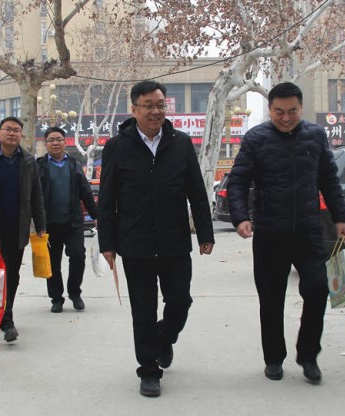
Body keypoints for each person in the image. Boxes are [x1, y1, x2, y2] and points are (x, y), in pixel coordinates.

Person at [226, 82, 345, 384]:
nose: (285, 117)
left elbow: (329, 180)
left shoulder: (315, 136)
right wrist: (240, 217)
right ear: (270, 110)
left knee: (318, 289)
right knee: (271, 300)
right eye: (279, 111)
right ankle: (273, 358)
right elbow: (238, 181)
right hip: (270, 233)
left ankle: (308, 355)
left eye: (292, 111)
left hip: (308, 231)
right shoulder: (256, 138)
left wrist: (340, 217)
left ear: (301, 108)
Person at [98, 80, 215, 397]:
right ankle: (149, 371)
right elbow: (106, 200)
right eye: (148, 105)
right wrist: (107, 243)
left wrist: (205, 233)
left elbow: (196, 192)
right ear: (134, 109)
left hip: (175, 241)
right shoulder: (116, 147)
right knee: (143, 311)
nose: (155, 111)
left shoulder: (181, 143)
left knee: (180, 302)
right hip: (135, 243)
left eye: (161, 105)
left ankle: (165, 338)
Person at [0, 116, 47, 342]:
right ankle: (0, 314)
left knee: (12, 274)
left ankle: (5, 315)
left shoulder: (28, 161)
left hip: (17, 226)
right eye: (8, 129)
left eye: (16, 130)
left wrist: (40, 225)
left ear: (21, 134)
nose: (12, 133)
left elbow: (36, 194)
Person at [36, 126, 98, 313]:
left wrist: (96, 216)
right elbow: (32, 195)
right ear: (46, 144)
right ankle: (56, 298)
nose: (55, 143)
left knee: (78, 256)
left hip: (73, 223)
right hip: (49, 225)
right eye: (51, 140)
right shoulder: (39, 166)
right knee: (53, 263)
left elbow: (86, 192)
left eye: (59, 139)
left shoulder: (74, 164)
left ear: (65, 142)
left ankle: (75, 293)